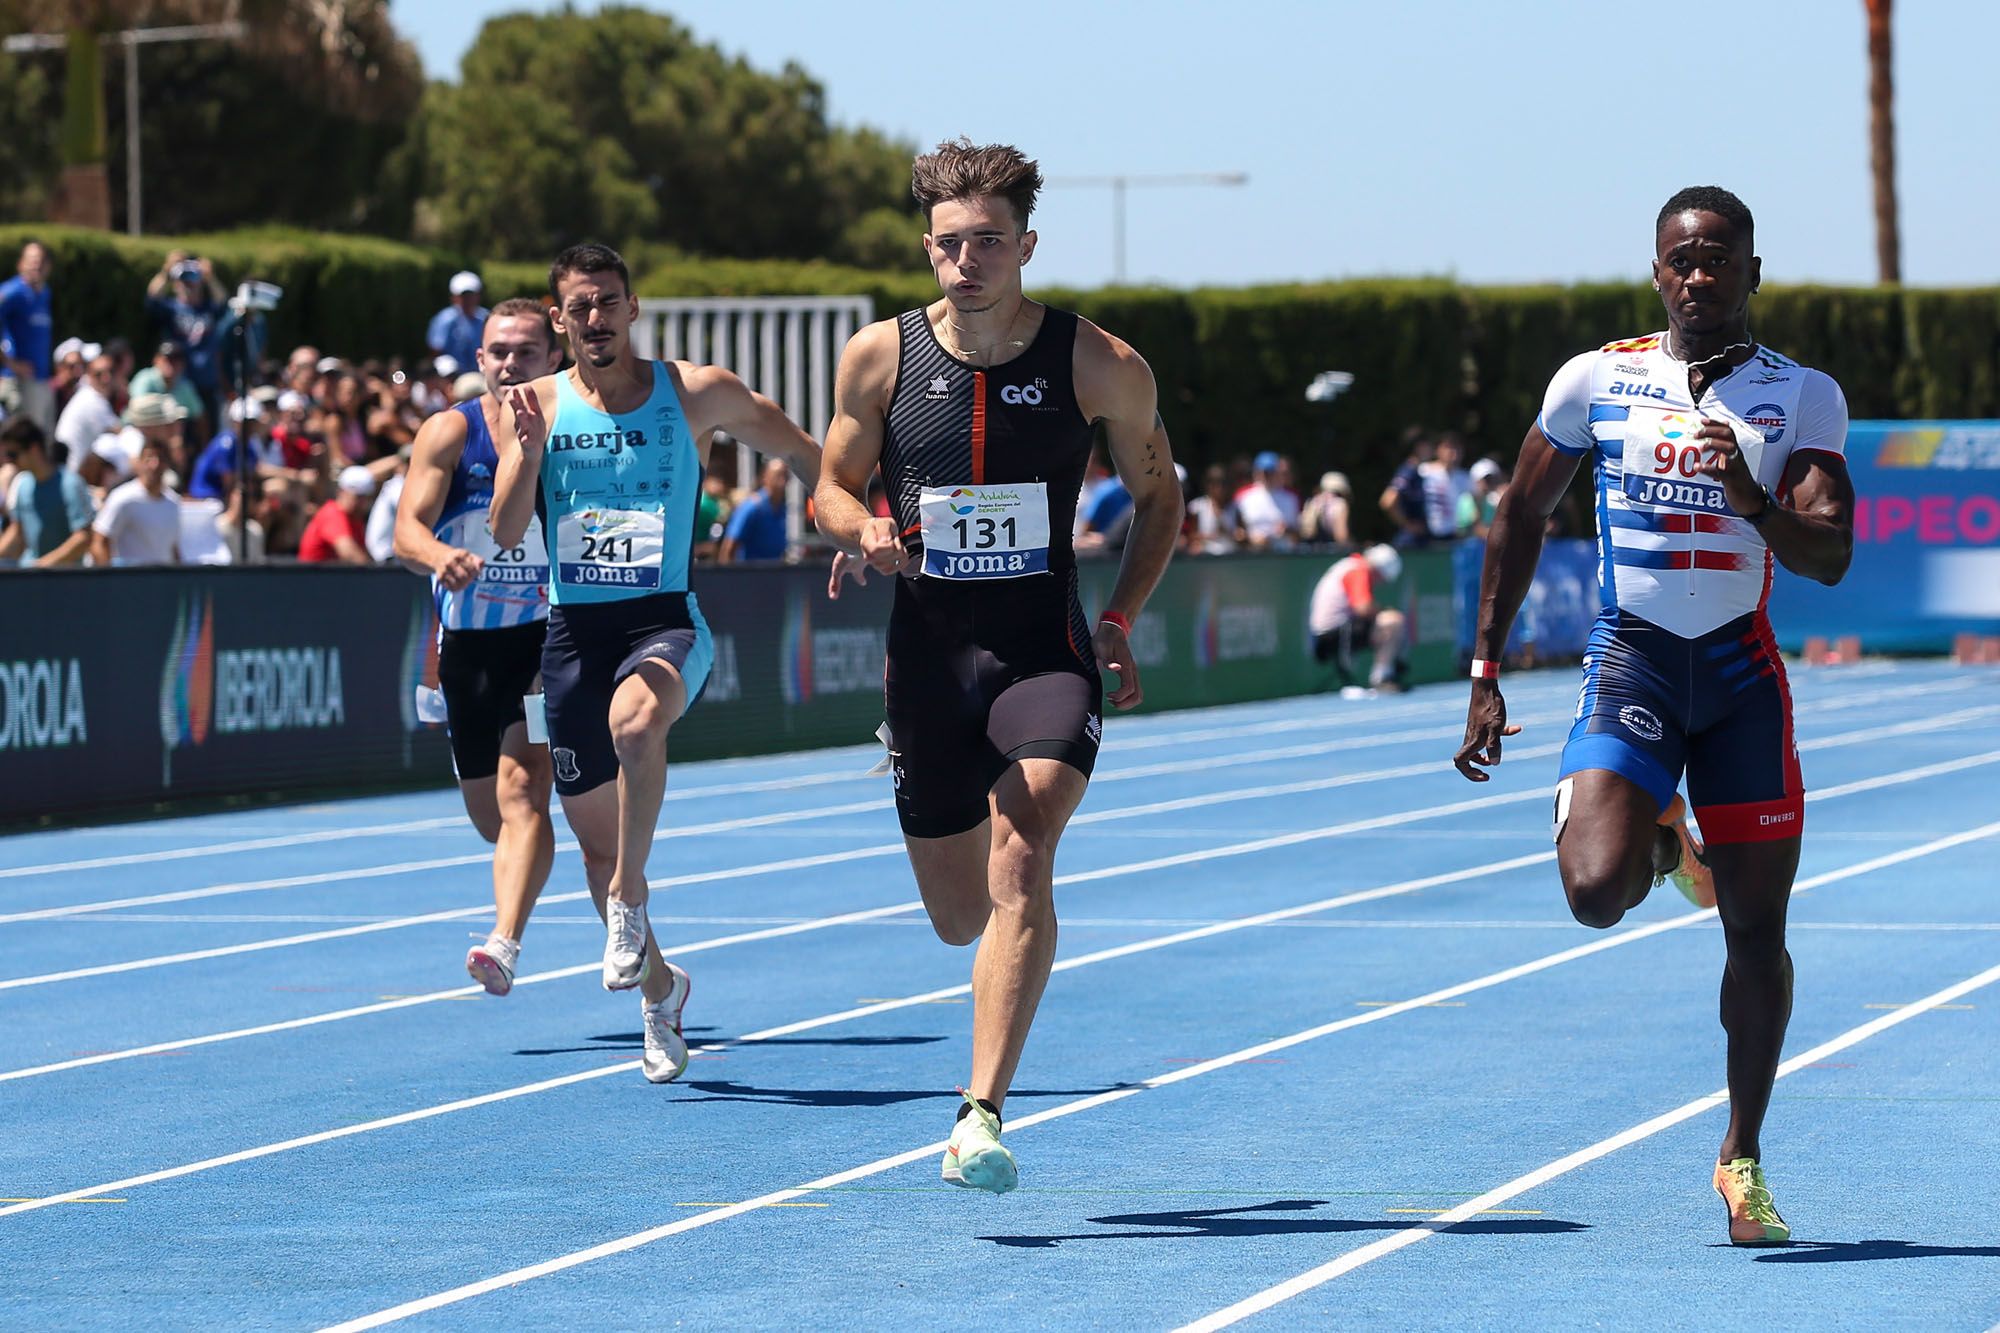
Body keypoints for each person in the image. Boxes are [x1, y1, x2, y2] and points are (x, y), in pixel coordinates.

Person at [1454, 186, 1855, 1248]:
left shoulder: (1798, 395)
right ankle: (1663, 838)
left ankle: (1741, 1154)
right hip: (1631, 660)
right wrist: (1485, 667)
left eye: (1718, 257)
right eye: (1680, 257)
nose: (1697, 274)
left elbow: (1829, 553)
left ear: (1750, 274)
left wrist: (1753, 502)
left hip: (1736, 680)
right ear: (1655, 272)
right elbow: (1520, 511)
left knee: (1754, 934)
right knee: (1591, 894)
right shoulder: (1597, 376)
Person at [815, 138, 1182, 1193]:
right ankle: (980, 949)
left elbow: (1159, 494)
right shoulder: (875, 358)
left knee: (1022, 849)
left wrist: (1117, 614)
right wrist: (861, 529)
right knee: (957, 914)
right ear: (924, 249)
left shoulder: (1097, 362)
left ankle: (977, 1113)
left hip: (1043, 649)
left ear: (1025, 246)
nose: (964, 261)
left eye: (986, 242)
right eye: (946, 244)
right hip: (926, 657)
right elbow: (829, 488)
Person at [491, 242, 821, 1083]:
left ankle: (630, 902)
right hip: (572, 634)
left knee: (636, 725)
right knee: (596, 848)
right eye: (578, 307)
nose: (595, 319)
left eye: (608, 302)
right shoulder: (529, 403)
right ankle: (663, 991)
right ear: (558, 318)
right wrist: (526, 455)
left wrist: (852, 520)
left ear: (633, 309)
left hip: (664, 621)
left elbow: (801, 449)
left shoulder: (695, 391)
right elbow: (503, 529)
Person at [395, 298, 565, 997]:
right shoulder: (448, 431)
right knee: (492, 818)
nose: (509, 363)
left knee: (525, 787)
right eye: (498, 351)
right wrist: (439, 555)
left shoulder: (573, 432)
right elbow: (405, 530)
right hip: (468, 644)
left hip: (547, 639)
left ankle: (504, 940)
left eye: (526, 351)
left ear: (554, 358)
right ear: (479, 359)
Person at [1309, 543, 1406, 690]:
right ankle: (1381, 678)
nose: (1379, 583)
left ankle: (1388, 669)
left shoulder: (1350, 565)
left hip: (1329, 631)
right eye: (1381, 578)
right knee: (1392, 621)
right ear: (1378, 570)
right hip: (1335, 634)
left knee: (1386, 619)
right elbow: (1363, 608)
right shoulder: (1358, 570)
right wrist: (1382, 611)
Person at [0, 417, 94, 566]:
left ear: (34, 449)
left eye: (13, 454)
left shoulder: (70, 484)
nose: (8, 461)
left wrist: (43, 565)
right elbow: (17, 533)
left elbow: (83, 538)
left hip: (68, 581)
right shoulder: (21, 485)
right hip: (32, 579)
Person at [144, 256, 225, 429]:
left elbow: (223, 301)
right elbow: (151, 297)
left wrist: (210, 277)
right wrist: (166, 271)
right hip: (180, 385)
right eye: (183, 280)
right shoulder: (170, 308)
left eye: (192, 279)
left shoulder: (208, 308)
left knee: (209, 433)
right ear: (175, 284)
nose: (188, 284)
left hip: (207, 384)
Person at [92, 434, 182, 565]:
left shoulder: (173, 502)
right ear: (140, 462)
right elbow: (100, 542)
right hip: (130, 581)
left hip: (162, 582)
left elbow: (173, 549)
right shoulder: (122, 497)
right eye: (149, 458)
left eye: (161, 459)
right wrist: (109, 580)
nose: (154, 465)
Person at [0, 240, 55, 433]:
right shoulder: (11, 292)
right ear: (20, 264)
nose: (36, 265)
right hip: (19, 381)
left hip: (41, 379)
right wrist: (10, 363)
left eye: (40, 260)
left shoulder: (44, 293)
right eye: (31, 260)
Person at [716, 457, 792, 562]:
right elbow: (729, 547)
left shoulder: (782, 509)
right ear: (765, 477)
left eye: (785, 476)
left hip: (774, 575)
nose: (782, 481)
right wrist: (728, 577)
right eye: (778, 476)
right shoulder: (751, 507)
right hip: (749, 575)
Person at [54, 351, 121, 468]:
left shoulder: (88, 396)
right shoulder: (92, 401)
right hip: (73, 474)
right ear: (89, 376)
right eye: (99, 374)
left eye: (111, 372)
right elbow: (119, 434)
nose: (106, 378)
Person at [298, 465, 377, 564]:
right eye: (358, 497)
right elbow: (350, 555)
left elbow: (364, 555)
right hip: (311, 578)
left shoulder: (355, 520)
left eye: (366, 498)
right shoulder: (331, 514)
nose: (363, 504)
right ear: (341, 492)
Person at [1380, 426, 1434, 547]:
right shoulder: (1408, 471)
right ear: (1419, 447)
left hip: (1420, 541)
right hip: (1410, 543)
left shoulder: (1418, 472)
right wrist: (1407, 525)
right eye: (1429, 444)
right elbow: (1387, 501)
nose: (1432, 449)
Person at [1234, 450, 1300, 549]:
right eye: (1264, 472)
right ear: (1256, 472)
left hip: (1282, 554)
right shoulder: (1243, 497)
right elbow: (1237, 530)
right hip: (1252, 553)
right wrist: (1249, 537)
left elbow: (1298, 532)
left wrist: (1286, 531)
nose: (1266, 476)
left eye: (1270, 472)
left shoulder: (1290, 498)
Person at [429, 271, 489, 371]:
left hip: (481, 374)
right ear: (454, 297)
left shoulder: (486, 317)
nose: (467, 299)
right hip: (451, 377)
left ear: (478, 296)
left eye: (471, 295)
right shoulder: (444, 319)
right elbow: (436, 351)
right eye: (463, 295)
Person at [1421, 430, 1472, 540]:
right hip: (1426, 537)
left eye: (1456, 448)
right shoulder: (1424, 472)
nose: (1452, 452)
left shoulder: (1466, 478)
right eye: (1448, 447)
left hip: (1456, 537)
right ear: (1437, 450)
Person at [1184, 462, 1240, 555]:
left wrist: (1236, 535)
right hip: (1206, 556)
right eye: (1215, 483)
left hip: (1230, 556)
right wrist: (1211, 537)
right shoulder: (1197, 506)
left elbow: (1240, 533)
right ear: (1208, 485)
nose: (1220, 488)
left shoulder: (1235, 507)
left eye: (1223, 483)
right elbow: (1191, 536)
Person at [1299, 470, 1352, 546]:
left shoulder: (1313, 502)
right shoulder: (1340, 504)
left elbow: (1305, 533)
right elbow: (1341, 537)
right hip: (1330, 554)